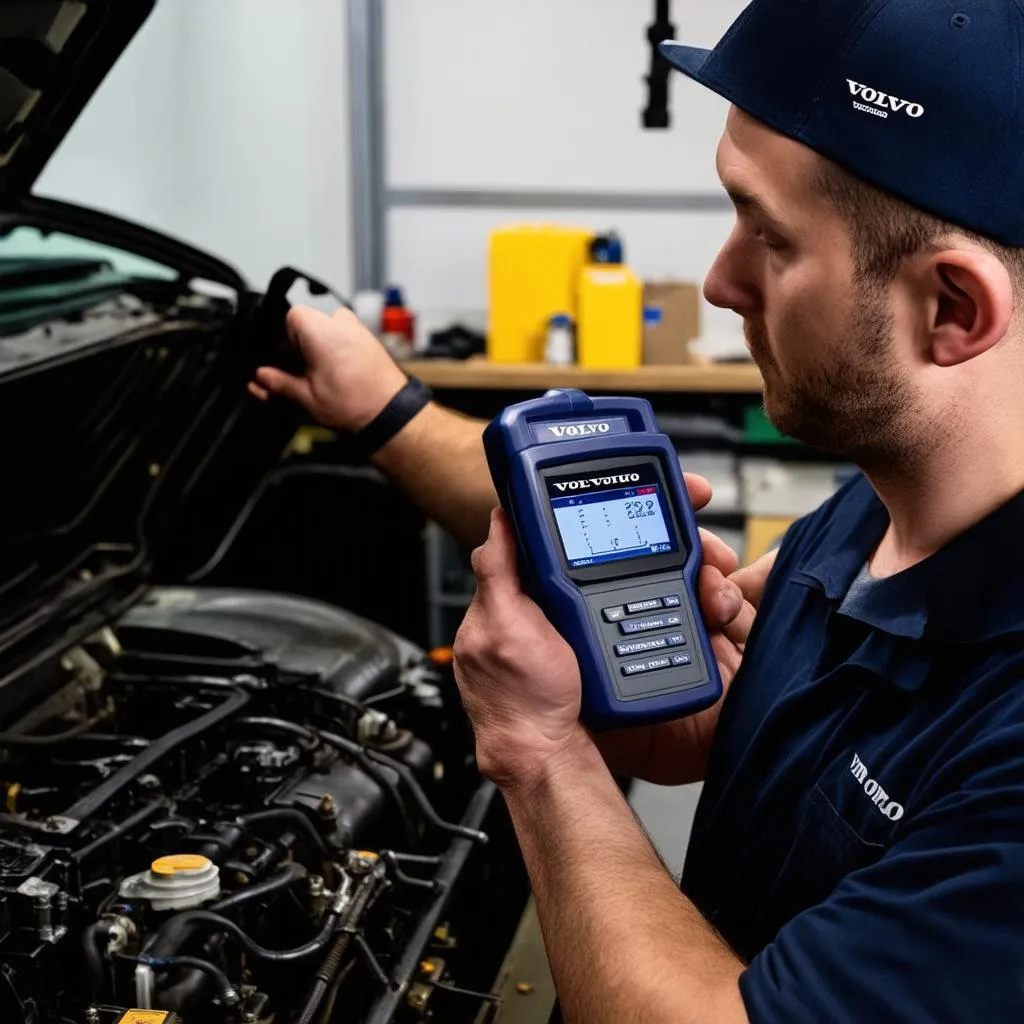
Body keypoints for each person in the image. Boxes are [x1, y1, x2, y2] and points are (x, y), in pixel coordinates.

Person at [250, 1, 1024, 1019]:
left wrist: (540, 753)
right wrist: (387, 412)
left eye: (769, 235)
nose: (717, 281)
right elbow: (563, 526)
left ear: (952, 309)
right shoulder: (868, 515)